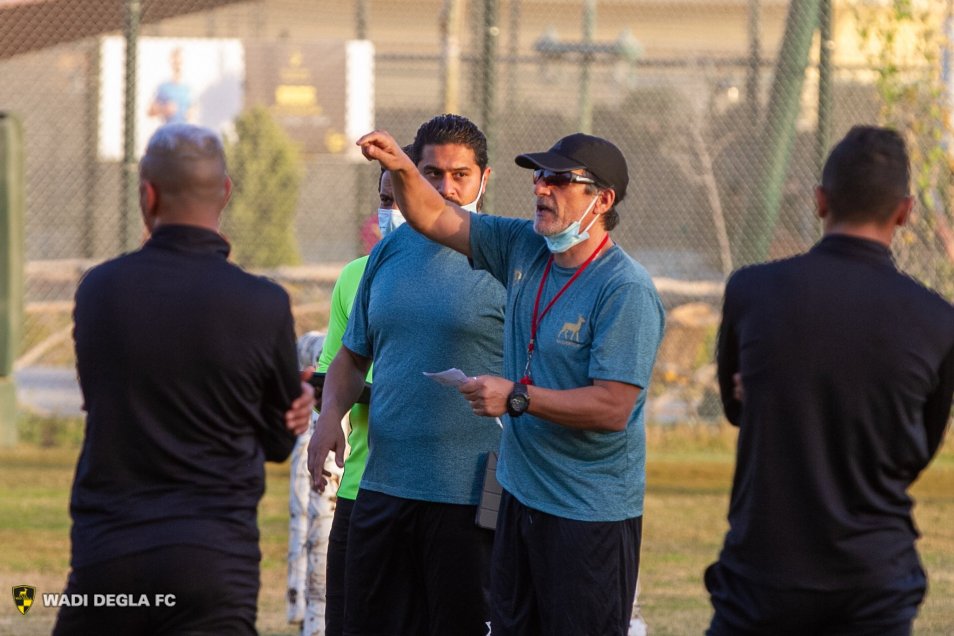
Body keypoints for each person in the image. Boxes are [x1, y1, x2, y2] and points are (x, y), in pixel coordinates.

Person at [355, 129, 666, 635]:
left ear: (603, 200)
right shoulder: (524, 246)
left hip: (586, 512)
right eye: (540, 175)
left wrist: (517, 398)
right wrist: (401, 167)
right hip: (519, 500)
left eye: (561, 179)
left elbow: (613, 408)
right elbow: (434, 216)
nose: (542, 188)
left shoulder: (624, 289)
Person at [54, 123, 315, 635]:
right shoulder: (263, 304)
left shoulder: (99, 291)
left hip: (110, 551)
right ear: (225, 192)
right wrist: (299, 400)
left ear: (147, 194)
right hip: (214, 559)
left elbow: (102, 399)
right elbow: (279, 441)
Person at [707, 125, 954, 635]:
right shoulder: (937, 320)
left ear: (820, 201)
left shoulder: (753, 291)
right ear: (905, 212)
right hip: (875, 577)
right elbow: (916, 450)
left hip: (763, 571)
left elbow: (737, 411)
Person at [308, 114, 506, 636]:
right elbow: (351, 357)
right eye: (431, 173)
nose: (445, 187)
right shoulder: (387, 255)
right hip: (382, 490)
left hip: (469, 499)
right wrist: (330, 414)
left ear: (484, 180)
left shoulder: (510, 255)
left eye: (459, 175)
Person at [286, 157, 406, 636]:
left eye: (399, 198)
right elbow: (331, 373)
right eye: (383, 200)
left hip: (441, 499)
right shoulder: (355, 276)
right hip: (359, 488)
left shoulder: (477, 275)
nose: (391, 211)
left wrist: (372, 393)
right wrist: (327, 407)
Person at [148, 47, 194, 125]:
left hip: (185, 131)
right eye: (175, 62)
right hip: (169, 130)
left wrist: (192, 113)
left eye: (180, 62)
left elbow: (193, 109)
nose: (177, 65)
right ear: (171, 63)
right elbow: (150, 111)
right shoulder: (164, 87)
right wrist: (163, 109)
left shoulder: (189, 87)